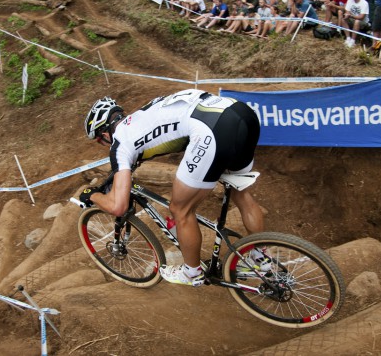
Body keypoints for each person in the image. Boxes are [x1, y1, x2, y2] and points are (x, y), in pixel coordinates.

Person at [81, 91, 263, 287]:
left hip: (211, 130)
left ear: (105, 134)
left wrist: (93, 195)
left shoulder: (120, 143)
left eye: (99, 140)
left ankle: (192, 272)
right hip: (241, 113)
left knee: (180, 210)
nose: (103, 144)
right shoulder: (143, 115)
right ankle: (261, 259)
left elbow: (119, 207)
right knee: (241, 194)